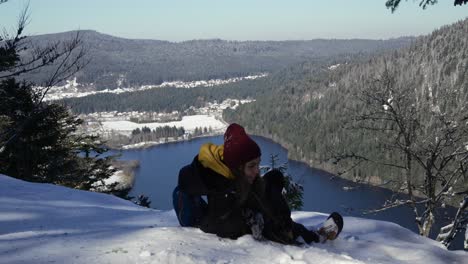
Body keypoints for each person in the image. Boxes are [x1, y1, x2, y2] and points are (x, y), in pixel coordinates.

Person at [174, 123, 338, 244]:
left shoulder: (232, 170)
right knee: (180, 194)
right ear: (237, 168)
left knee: (274, 178)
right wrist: (250, 221)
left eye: (258, 164)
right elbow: (217, 225)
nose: (257, 170)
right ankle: (311, 235)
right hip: (211, 218)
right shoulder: (221, 190)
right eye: (252, 166)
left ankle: (294, 229)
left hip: (236, 197)